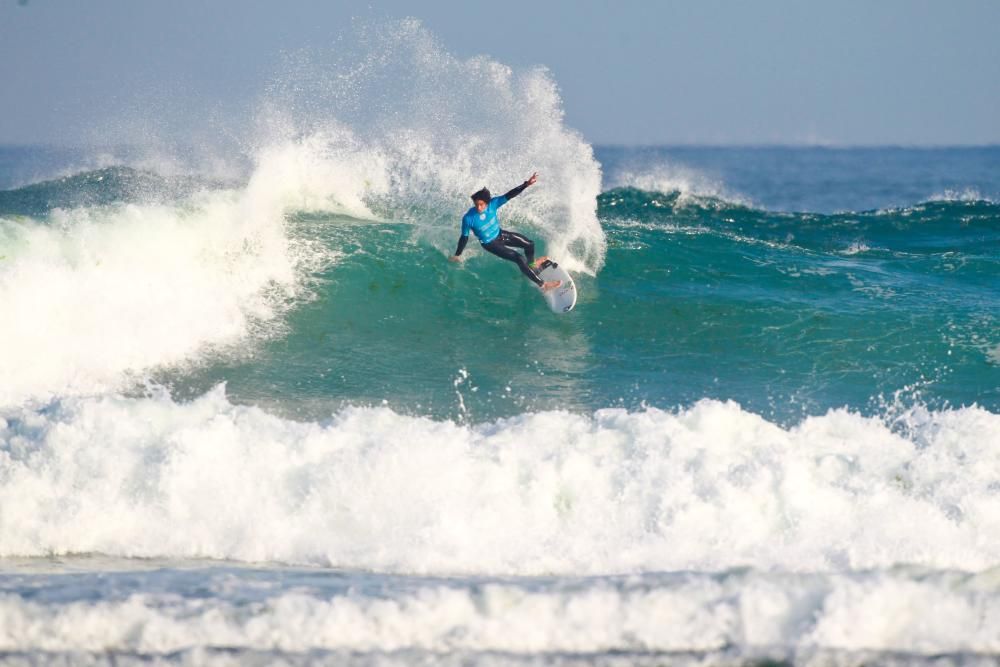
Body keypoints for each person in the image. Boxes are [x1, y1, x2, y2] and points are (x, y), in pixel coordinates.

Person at [449, 172, 561, 292]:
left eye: (481, 205)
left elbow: (510, 194)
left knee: (529, 244)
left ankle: (532, 266)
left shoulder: (493, 204)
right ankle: (543, 285)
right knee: (518, 258)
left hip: (500, 234)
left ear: (487, 202)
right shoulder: (468, 218)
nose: (478, 208)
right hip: (490, 244)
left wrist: (526, 184)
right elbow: (464, 238)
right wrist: (457, 254)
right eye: (476, 205)